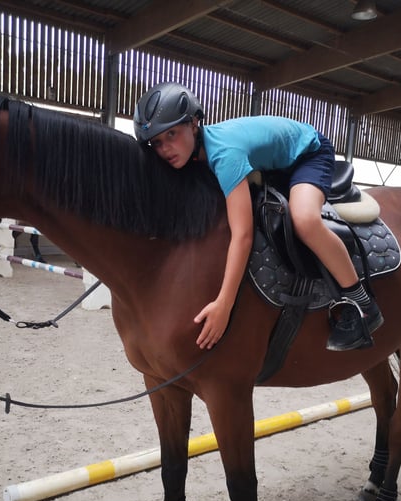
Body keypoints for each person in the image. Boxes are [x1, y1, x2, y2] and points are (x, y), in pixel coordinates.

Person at [133, 82, 383, 352]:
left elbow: (243, 235)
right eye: (157, 142)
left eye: (172, 134)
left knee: (304, 219)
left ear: (194, 124)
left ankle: (363, 303)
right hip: (275, 157)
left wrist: (224, 305)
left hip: (309, 153)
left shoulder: (225, 155)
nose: (165, 148)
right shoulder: (194, 151)